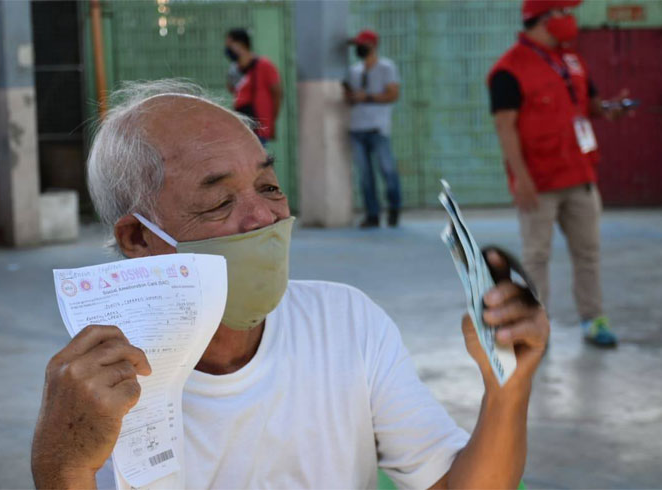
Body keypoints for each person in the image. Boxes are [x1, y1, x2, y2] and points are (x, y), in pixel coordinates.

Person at [30, 80, 549, 489]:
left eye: (269, 186)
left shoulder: (345, 322)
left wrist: (509, 386)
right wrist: (63, 473)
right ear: (139, 239)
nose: (263, 217)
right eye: (219, 201)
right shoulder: (98, 393)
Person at [487, 0, 627, 348]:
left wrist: (610, 109)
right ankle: (536, 326)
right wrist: (521, 179)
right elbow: (505, 128)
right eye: (563, 13)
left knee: (588, 253)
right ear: (543, 19)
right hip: (539, 183)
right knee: (537, 256)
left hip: (580, 178)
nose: (570, 20)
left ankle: (594, 320)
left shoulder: (573, 60)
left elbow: (589, 105)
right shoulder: (508, 69)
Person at [344, 29, 402, 228]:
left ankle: (394, 209)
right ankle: (372, 214)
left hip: (378, 128)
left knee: (387, 171)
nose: (359, 48)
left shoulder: (387, 67)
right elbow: (350, 97)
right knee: (365, 177)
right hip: (357, 128)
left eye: (362, 44)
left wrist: (367, 97)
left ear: (372, 45)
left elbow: (393, 94)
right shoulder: (354, 70)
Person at [224, 28, 282, 145]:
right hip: (242, 125)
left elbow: (277, 93)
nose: (227, 49)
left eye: (230, 44)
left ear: (239, 44)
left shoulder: (264, 65)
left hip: (259, 126)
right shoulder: (234, 69)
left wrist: (271, 123)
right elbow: (232, 90)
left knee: (256, 161)